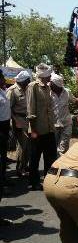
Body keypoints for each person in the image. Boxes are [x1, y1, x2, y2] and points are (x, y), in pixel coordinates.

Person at [27, 63, 57, 190]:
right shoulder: (33, 86)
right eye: (49, 75)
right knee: (34, 157)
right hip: (37, 130)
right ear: (44, 75)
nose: (51, 77)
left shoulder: (48, 87)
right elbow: (31, 110)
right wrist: (33, 130)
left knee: (50, 157)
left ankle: (48, 181)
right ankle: (33, 182)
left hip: (49, 128)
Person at [6, 71, 31, 177]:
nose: (29, 82)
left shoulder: (27, 89)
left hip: (26, 120)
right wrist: (15, 122)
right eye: (28, 80)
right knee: (22, 146)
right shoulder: (12, 91)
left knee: (28, 145)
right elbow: (8, 108)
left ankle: (24, 166)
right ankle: (20, 169)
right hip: (17, 120)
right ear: (24, 81)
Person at [50, 73, 78, 155]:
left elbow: (74, 101)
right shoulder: (48, 93)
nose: (49, 84)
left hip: (66, 123)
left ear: (56, 85)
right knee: (53, 146)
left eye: (51, 83)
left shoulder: (67, 92)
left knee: (64, 146)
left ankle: (61, 163)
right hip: (53, 124)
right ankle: (54, 164)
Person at [0, 70, 10, 199]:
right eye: (1, 77)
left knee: (3, 156)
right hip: (0, 127)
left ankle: (3, 180)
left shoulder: (2, 91)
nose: (3, 79)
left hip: (5, 126)